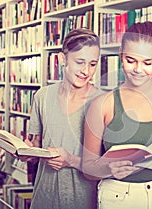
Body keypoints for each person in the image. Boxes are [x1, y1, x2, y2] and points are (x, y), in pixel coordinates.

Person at [82, 21, 152, 209]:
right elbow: (88, 169)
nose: (138, 69)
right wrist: (108, 168)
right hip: (118, 195)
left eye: (147, 63)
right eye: (130, 60)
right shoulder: (102, 104)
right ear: (121, 56)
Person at [22, 28, 103, 209]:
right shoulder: (42, 96)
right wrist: (26, 152)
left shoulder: (104, 101)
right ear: (62, 59)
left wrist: (71, 160)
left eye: (92, 64)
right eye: (80, 62)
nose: (86, 71)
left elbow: (108, 165)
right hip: (44, 198)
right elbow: (36, 146)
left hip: (85, 201)